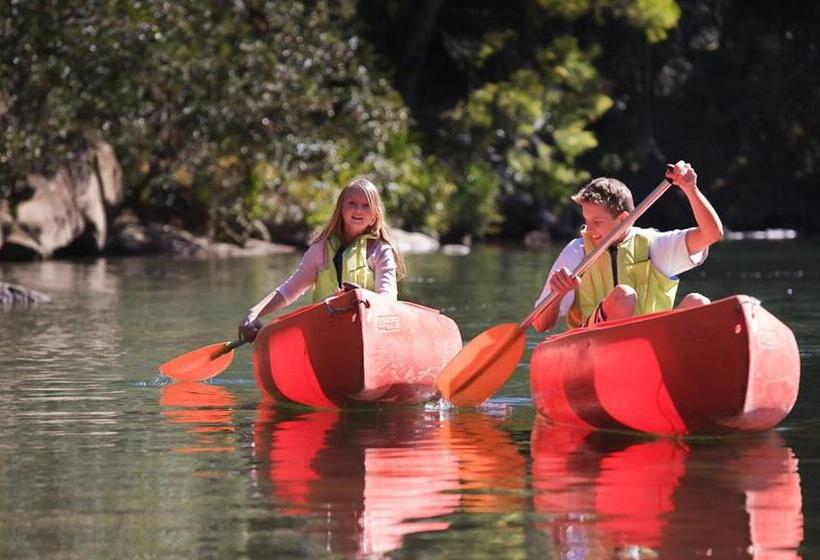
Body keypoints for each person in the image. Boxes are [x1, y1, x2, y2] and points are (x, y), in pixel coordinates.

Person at [532, 161, 724, 332]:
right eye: (586, 221)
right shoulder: (577, 251)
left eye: (597, 222)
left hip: (651, 343)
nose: (588, 229)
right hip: (590, 343)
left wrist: (690, 189)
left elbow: (712, 234)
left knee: (698, 303)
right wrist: (558, 293)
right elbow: (541, 324)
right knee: (623, 296)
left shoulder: (654, 245)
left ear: (623, 219)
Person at [238, 177, 406, 341]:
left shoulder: (381, 251)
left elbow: (388, 300)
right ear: (341, 208)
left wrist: (361, 296)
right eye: (352, 203)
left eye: (366, 205)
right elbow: (290, 290)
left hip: (370, 333)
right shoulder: (321, 248)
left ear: (375, 214)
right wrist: (255, 312)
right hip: (326, 333)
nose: (358, 210)